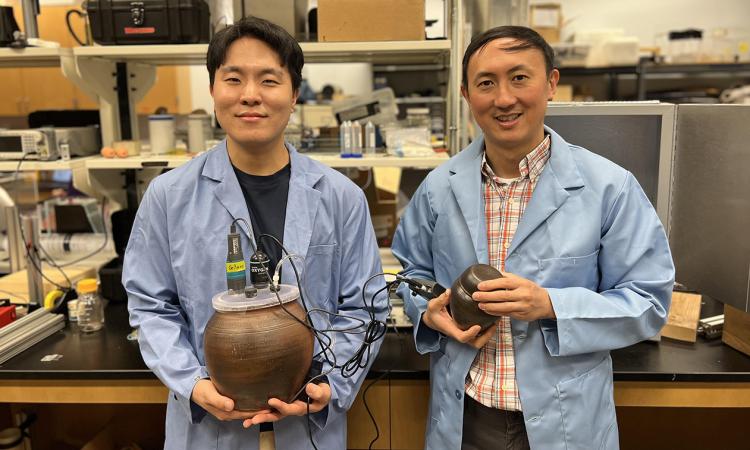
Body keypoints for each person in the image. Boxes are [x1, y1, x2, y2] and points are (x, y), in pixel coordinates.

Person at [392, 26, 674, 450]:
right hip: (466, 415)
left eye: (520, 78)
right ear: (467, 96)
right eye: (486, 83)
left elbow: (649, 301)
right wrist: (429, 314)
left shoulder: (609, 187)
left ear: (551, 84)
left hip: (567, 420)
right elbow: (412, 273)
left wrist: (551, 305)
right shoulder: (437, 187)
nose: (504, 98)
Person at [123, 16, 387, 450]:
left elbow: (364, 305)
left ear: (294, 94)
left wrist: (331, 382)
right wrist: (193, 383)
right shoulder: (169, 196)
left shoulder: (342, 197)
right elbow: (151, 306)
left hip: (308, 423)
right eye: (233, 79)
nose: (250, 95)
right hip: (210, 426)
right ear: (213, 91)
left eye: (269, 80)